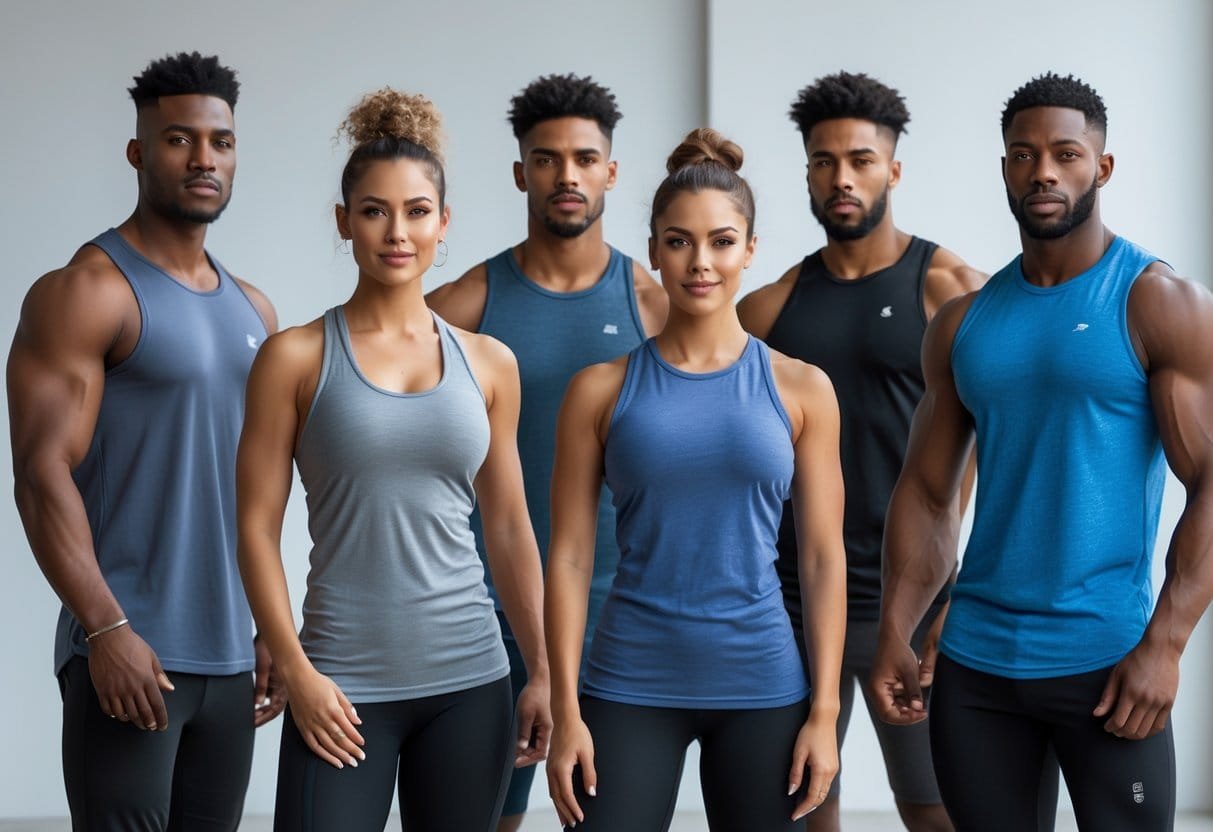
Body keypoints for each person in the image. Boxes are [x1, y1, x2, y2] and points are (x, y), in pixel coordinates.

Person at [870, 72, 1213, 831]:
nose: (1043, 172)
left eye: (1065, 154)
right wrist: (896, 625)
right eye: (1023, 156)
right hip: (975, 669)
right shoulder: (963, 323)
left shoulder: (1157, 301)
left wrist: (1165, 644)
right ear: (1004, 169)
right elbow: (927, 493)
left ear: (1102, 167)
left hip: (1107, 665)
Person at [236, 88, 550, 832]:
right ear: (344, 221)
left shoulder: (490, 364)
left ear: (444, 223)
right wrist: (297, 669)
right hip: (340, 685)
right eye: (374, 211)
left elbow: (509, 527)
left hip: (471, 681)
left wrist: (542, 672)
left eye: (416, 211)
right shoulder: (294, 358)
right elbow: (253, 527)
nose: (397, 231)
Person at [8, 52, 280, 830]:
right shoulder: (88, 291)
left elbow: (254, 488)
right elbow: (41, 473)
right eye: (179, 139)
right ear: (138, 152)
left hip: (231, 658)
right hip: (131, 652)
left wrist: (270, 625)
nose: (203, 160)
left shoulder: (255, 311)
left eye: (221, 142)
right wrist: (105, 627)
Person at [545, 128, 846, 831]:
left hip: (763, 682)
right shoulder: (598, 389)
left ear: (750, 250)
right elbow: (569, 556)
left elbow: (822, 557)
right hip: (627, 679)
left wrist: (825, 713)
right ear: (653, 250)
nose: (700, 262)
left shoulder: (802, 388)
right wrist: (565, 710)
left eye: (721, 241)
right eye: (679, 242)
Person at [737, 71, 987, 832]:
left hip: (911, 599)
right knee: (802, 805)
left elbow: (1009, 452)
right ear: (807, 173)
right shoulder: (768, 309)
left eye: (860, 160)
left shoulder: (950, 290)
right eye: (824, 161)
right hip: (792, 602)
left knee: (935, 810)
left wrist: (966, 591)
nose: (841, 178)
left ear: (893, 170)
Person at [426, 72, 666, 831]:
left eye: (585, 159)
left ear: (610, 172)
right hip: (493, 611)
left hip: (618, 610)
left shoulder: (653, 304)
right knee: (490, 817)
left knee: (603, 815)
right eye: (547, 159)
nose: (567, 175)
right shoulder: (465, 305)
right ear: (519, 172)